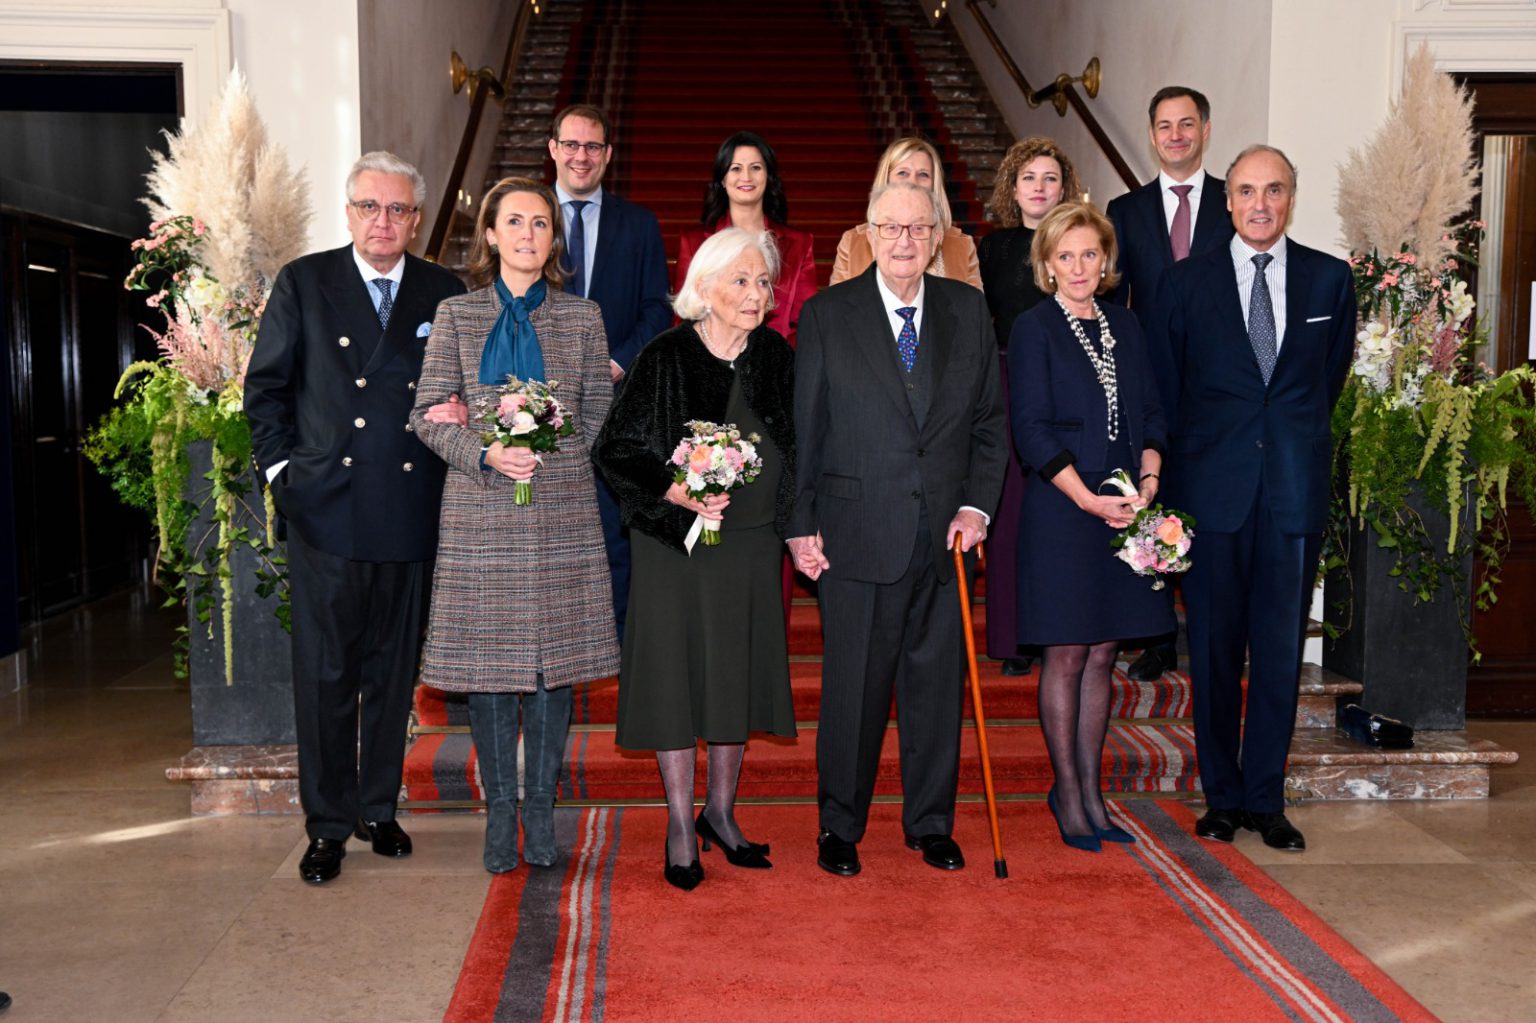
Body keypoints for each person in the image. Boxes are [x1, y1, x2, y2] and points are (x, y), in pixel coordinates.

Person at [245, 151, 467, 885]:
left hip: (408, 509)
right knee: (328, 674)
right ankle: (328, 823)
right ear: (348, 212)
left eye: (399, 209)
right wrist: (286, 478)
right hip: (328, 510)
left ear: (416, 218)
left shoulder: (444, 289)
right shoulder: (306, 282)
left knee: (393, 671)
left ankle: (379, 807)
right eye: (370, 207)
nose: (384, 221)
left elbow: (466, 386)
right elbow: (266, 391)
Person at [790, 182, 1006, 877]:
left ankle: (930, 822)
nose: (906, 241)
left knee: (935, 687)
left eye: (919, 229)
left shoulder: (969, 311)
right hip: (856, 531)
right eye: (892, 228)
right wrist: (799, 526)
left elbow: (989, 424)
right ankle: (839, 825)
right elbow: (806, 429)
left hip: (945, 536)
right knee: (853, 689)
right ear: (870, 232)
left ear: (938, 235)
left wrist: (977, 507)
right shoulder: (828, 315)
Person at [1148, 145, 1355, 852]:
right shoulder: (1183, 284)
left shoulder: (1331, 281)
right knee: (1210, 652)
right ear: (1227, 201)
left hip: (1291, 497)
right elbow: (1168, 398)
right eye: (1245, 191)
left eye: (1273, 190)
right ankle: (1221, 796)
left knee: (1276, 653)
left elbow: (1325, 385)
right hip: (1211, 499)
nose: (1259, 203)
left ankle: (1266, 798)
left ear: (1290, 197)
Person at [409, 177, 619, 872]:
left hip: (560, 509)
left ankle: (541, 811)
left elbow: (596, 413)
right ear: (492, 235)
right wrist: (485, 451)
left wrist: (553, 452)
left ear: (553, 240)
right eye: (515, 223)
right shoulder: (457, 317)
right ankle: (500, 814)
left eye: (541, 223)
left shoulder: (583, 318)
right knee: (492, 672)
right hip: (482, 509)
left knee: (555, 671)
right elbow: (427, 414)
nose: (529, 234)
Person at [596, 228, 797, 891]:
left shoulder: (774, 355)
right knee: (678, 680)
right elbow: (615, 449)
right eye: (740, 280)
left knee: (733, 673)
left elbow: (798, 447)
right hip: (676, 547)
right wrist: (676, 490)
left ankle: (721, 811)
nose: (756, 293)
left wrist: (799, 522)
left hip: (750, 546)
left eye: (763, 281)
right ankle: (681, 822)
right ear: (703, 288)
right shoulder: (666, 356)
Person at [1009, 202, 1173, 852]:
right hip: (1064, 510)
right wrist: (1087, 500)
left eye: (1089, 254)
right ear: (1048, 265)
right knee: (1068, 651)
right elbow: (1033, 429)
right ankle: (1069, 790)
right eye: (1065, 256)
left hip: (1127, 508)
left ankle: (1092, 789)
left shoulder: (1127, 325)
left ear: (1105, 262)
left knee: (1105, 650)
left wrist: (1152, 480)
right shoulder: (1034, 327)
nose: (1079, 267)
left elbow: (1155, 411)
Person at [1106, 85, 1235, 682]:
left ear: (1205, 130)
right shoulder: (1125, 211)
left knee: (1208, 505)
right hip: (1152, 385)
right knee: (1152, 508)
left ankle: (1214, 628)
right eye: (1165, 125)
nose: (1176, 134)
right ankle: (1158, 635)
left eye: (1187, 123)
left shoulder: (1232, 201)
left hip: (1219, 388)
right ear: (1152, 134)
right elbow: (1115, 302)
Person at [548, 103, 672, 642]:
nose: (581, 156)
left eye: (592, 146)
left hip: (615, 401)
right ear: (552, 149)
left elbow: (656, 310)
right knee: (548, 532)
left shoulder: (638, 224)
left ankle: (616, 647)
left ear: (608, 155)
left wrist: (616, 362)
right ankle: (555, 641)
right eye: (571, 145)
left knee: (612, 529)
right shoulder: (527, 217)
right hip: (538, 401)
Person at [977, 136, 1084, 677]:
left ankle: (1059, 629)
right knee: (1011, 514)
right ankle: (1013, 635)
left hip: (1068, 386)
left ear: (1065, 187)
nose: (1040, 187)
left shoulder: (1079, 244)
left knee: (1062, 515)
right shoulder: (991, 249)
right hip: (1008, 384)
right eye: (1029, 178)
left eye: (1050, 178)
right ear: (1012, 188)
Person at [675, 131, 818, 347]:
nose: (746, 177)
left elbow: (807, 322)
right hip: (712, 367)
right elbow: (684, 318)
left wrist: (780, 362)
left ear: (768, 176)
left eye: (756, 167)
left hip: (780, 367)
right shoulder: (695, 243)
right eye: (735, 168)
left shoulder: (799, 244)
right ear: (722, 178)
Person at [828, 137, 982, 290]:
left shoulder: (962, 246)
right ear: (886, 179)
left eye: (923, 174)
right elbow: (838, 310)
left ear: (934, 184)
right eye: (903, 173)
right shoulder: (853, 242)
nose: (912, 181)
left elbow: (973, 311)